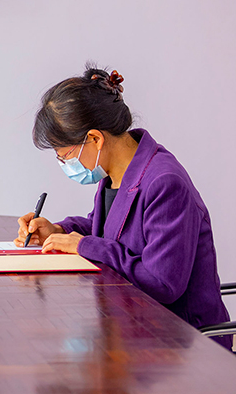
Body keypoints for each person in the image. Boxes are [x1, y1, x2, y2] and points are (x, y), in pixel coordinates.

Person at [14, 65, 231, 349]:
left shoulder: (165, 183)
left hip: (181, 347)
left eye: (65, 155)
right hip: (135, 331)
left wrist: (83, 246)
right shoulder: (117, 172)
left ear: (94, 139)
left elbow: (162, 284)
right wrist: (59, 230)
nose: (66, 165)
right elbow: (108, 230)